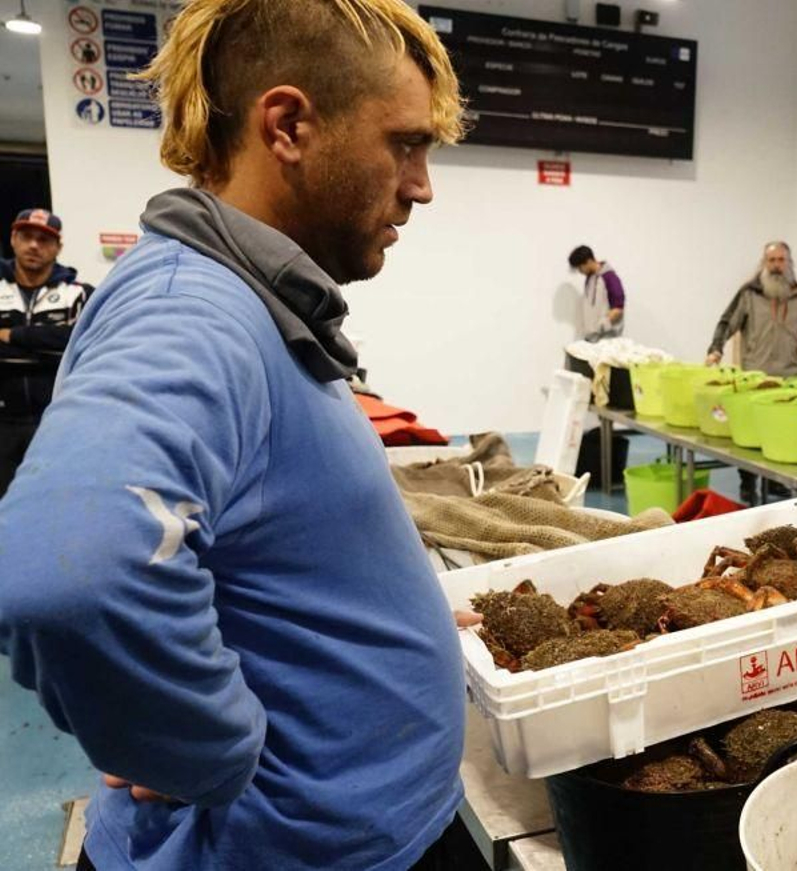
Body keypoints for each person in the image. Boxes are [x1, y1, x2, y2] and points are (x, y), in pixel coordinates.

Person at [0, 2, 478, 869]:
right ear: (289, 125)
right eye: (404, 144)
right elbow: (68, 573)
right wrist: (192, 745)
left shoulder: (246, 302)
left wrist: (373, 610)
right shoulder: (195, 311)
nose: (421, 185)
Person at [706, 241, 797, 503]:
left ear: (789, 263)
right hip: (755, 377)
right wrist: (715, 348)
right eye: (771, 260)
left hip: (789, 377)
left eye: (781, 260)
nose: (776, 266)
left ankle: (777, 483)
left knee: (782, 435)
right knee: (749, 438)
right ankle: (748, 483)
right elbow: (727, 321)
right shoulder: (749, 294)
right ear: (763, 263)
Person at [0, 208, 94, 496]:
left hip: (58, 420)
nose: (34, 245)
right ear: (14, 238)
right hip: (3, 421)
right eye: (27, 236)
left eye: (44, 240)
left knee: (56, 498)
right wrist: (49, 346)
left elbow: (81, 344)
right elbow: (61, 345)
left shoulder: (79, 294)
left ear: (58, 247)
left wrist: (12, 335)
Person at [568, 243, 625, 340]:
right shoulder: (590, 279)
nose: (580, 271)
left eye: (580, 267)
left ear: (589, 261)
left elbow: (618, 308)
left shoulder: (610, 277)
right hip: (592, 338)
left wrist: (602, 325)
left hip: (608, 339)